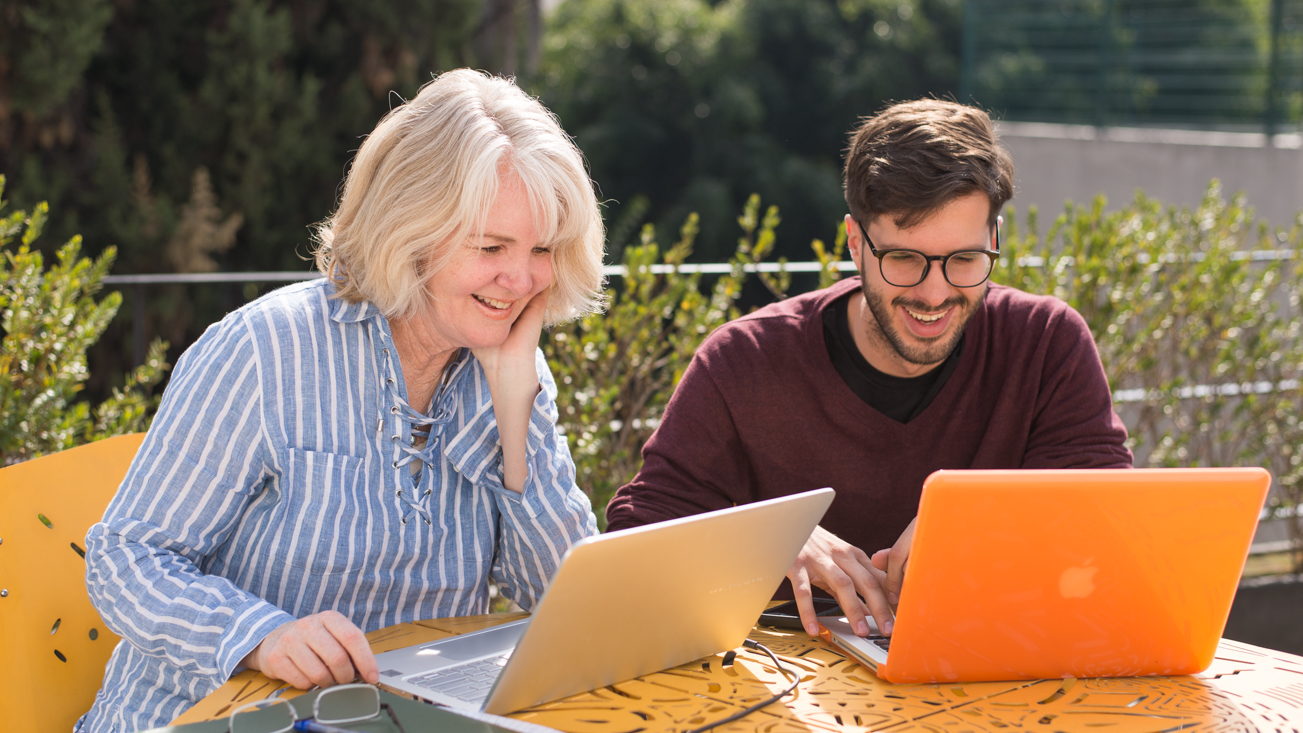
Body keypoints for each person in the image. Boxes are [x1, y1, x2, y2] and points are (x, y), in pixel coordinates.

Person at [79, 70, 605, 732]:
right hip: (203, 719)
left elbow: (563, 603)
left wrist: (514, 417)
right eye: (491, 246)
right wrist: (259, 634)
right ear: (412, 230)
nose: (522, 278)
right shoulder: (265, 350)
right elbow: (126, 557)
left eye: (541, 249)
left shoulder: (512, 365)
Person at [605, 99, 1132, 643]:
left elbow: (1105, 523)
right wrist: (768, 544)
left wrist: (990, 524)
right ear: (856, 243)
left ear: (993, 240)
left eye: (965, 259)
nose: (935, 292)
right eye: (903, 259)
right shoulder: (745, 361)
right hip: (796, 700)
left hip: (1001, 673)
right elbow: (635, 536)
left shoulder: (1046, 343)